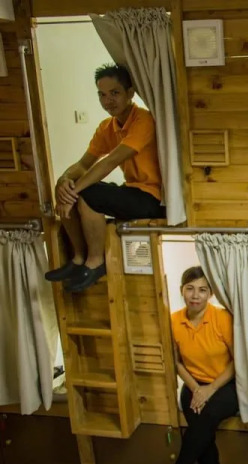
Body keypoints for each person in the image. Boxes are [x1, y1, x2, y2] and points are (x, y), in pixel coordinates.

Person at [45, 63, 165, 292]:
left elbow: (110, 162)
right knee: (66, 187)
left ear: (130, 93)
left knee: (88, 193)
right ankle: (79, 258)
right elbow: (83, 164)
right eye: (102, 95)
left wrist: (75, 190)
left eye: (114, 93)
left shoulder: (144, 120)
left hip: (153, 197)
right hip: (131, 190)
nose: (108, 100)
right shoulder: (106, 127)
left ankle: (96, 262)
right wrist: (64, 181)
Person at [160, 267, 236, 464]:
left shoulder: (222, 317)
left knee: (204, 419)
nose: (195, 295)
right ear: (181, 290)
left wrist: (210, 389)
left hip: (225, 384)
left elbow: (237, 362)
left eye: (202, 290)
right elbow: (176, 362)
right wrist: (196, 389)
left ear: (211, 293)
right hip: (193, 384)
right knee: (202, 432)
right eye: (190, 289)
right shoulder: (173, 320)